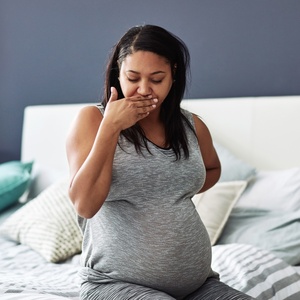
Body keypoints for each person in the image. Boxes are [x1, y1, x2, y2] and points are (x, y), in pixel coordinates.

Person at [66, 24, 255, 300]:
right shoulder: (92, 120)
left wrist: (168, 192)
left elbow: (212, 169)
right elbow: (85, 204)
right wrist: (111, 128)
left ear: (173, 76)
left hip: (199, 286)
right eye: (133, 78)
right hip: (111, 283)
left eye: (156, 79)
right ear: (118, 74)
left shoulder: (191, 126)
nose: (144, 89)